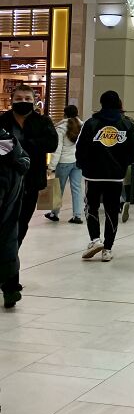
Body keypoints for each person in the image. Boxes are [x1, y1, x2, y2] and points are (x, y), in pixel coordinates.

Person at [0, 85, 58, 296]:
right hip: (5, 184)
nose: (23, 101)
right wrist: (19, 148)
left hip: (31, 183)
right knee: (7, 231)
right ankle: (10, 283)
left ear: (34, 101)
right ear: (11, 99)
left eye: (27, 98)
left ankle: (8, 274)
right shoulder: (3, 121)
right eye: (19, 98)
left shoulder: (42, 122)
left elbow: (51, 144)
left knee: (20, 230)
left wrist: (18, 146)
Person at [76, 90, 134, 262]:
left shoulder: (91, 123)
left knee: (91, 207)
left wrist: (84, 165)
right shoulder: (126, 124)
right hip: (115, 176)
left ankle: (95, 240)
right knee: (112, 210)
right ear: (118, 103)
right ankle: (108, 249)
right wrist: (123, 164)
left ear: (101, 103)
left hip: (93, 175)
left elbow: (80, 147)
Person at [0, 128, 30, 309]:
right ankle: (10, 289)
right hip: (10, 214)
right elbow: (24, 161)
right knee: (9, 243)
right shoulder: (11, 144)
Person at [46, 104, 83, 224]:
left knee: (58, 188)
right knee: (77, 188)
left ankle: (54, 213)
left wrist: (51, 166)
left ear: (64, 114)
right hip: (78, 161)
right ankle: (77, 215)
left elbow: (58, 149)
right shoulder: (82, 126)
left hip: (64, 162)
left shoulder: (61, 128)